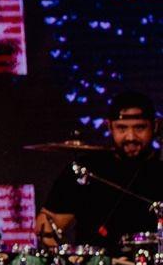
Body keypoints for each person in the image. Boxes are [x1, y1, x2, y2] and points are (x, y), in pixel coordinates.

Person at [35, 90, 163, 253]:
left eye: (140, 128)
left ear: (155, 126)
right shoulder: (85, 170)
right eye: (122, 128)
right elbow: (46, 224)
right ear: (109, 126)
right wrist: (68, 261)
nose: (131, 137)